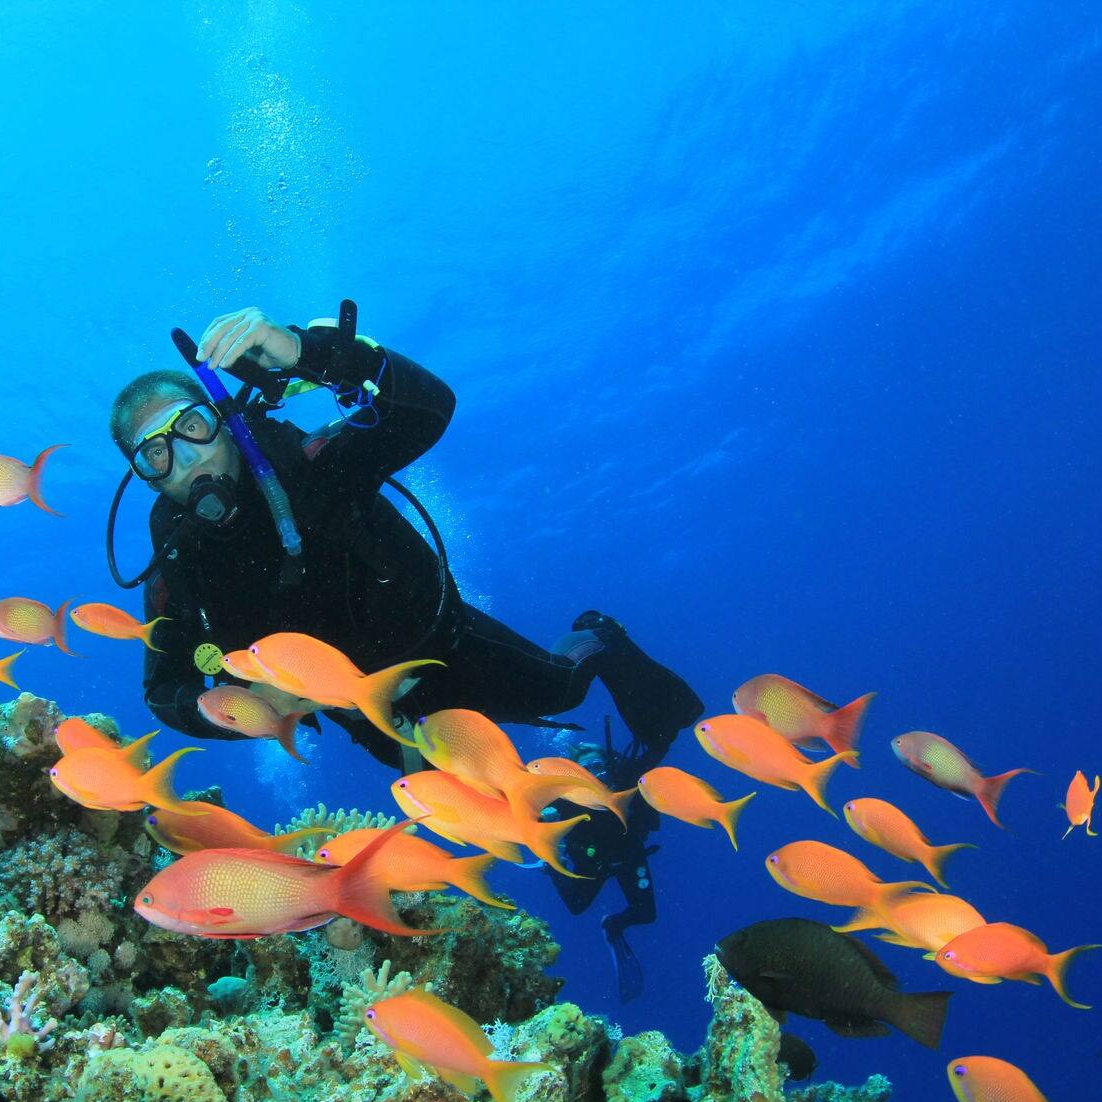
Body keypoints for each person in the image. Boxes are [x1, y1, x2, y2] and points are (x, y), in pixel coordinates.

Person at [106, 306, 703, 996]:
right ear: (142, 475)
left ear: (218, 414)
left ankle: (597, 634)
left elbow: (428, 407)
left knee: (561, 692)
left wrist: (304, 351)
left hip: (441, 642)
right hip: (374, 716)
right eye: (155, 452)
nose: (186, 457)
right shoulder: (174, 561)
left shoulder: (307, 463)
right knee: (464, 798)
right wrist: (240, 708)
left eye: (193, 427)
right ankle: (563, 795)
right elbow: (165, 686)